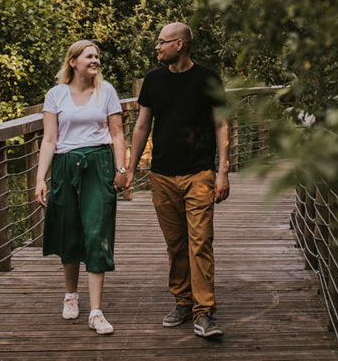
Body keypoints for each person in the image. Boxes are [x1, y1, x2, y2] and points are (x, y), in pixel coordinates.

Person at [126, 21, 229, 340]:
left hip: (199, 173)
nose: (157, 47)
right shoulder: (154, 81)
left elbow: (222, 125)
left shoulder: (208, 78)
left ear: (180, 45)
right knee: (176, 243)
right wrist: (130, 169)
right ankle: (183, 301)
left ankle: (205, 312)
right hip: (161, 175)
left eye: (162, 42)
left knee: (200, 241)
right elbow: (142, 126)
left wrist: (222, 171)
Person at [35, 40, 129, 335]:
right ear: (73, 61)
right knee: (69, 227)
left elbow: (117, 134)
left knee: (96, 230)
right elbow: (49, 140)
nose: (95, 60)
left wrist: (121, 169)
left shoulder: (108, 91)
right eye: (89, 56)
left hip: (98, 165)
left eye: (98, 56)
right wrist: (40, 178)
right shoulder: (56, 95)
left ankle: (96, 312)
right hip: (64, 165)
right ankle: (71, 294)